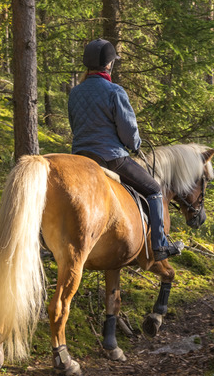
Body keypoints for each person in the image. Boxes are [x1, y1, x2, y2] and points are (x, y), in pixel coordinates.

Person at [68, 38, 183, 261]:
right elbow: (129, 131)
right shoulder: (115, 91)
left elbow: (75, 124)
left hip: (81, 159)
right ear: (109, 64)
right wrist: (135, 144)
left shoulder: (75, 93)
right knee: (154, 190)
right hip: (111, 158)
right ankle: (159, 246)